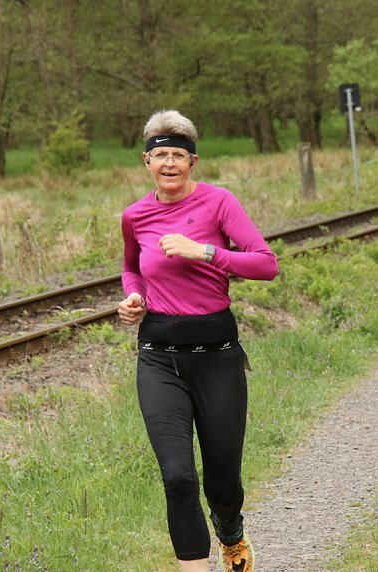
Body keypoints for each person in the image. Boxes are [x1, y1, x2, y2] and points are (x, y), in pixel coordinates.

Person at [117, 109, 278, 572]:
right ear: (146, 162)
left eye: (178, 156)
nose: (169, 163)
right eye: (159, 155)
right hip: (158, 358)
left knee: (222, 481)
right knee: (178, 477)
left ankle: (230, 533)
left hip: (218, 357)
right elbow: (132, 267)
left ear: (193, 162)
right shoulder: (135, 216)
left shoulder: (218, 203)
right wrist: (133, 296)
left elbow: (266, 264)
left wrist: (205, 251)